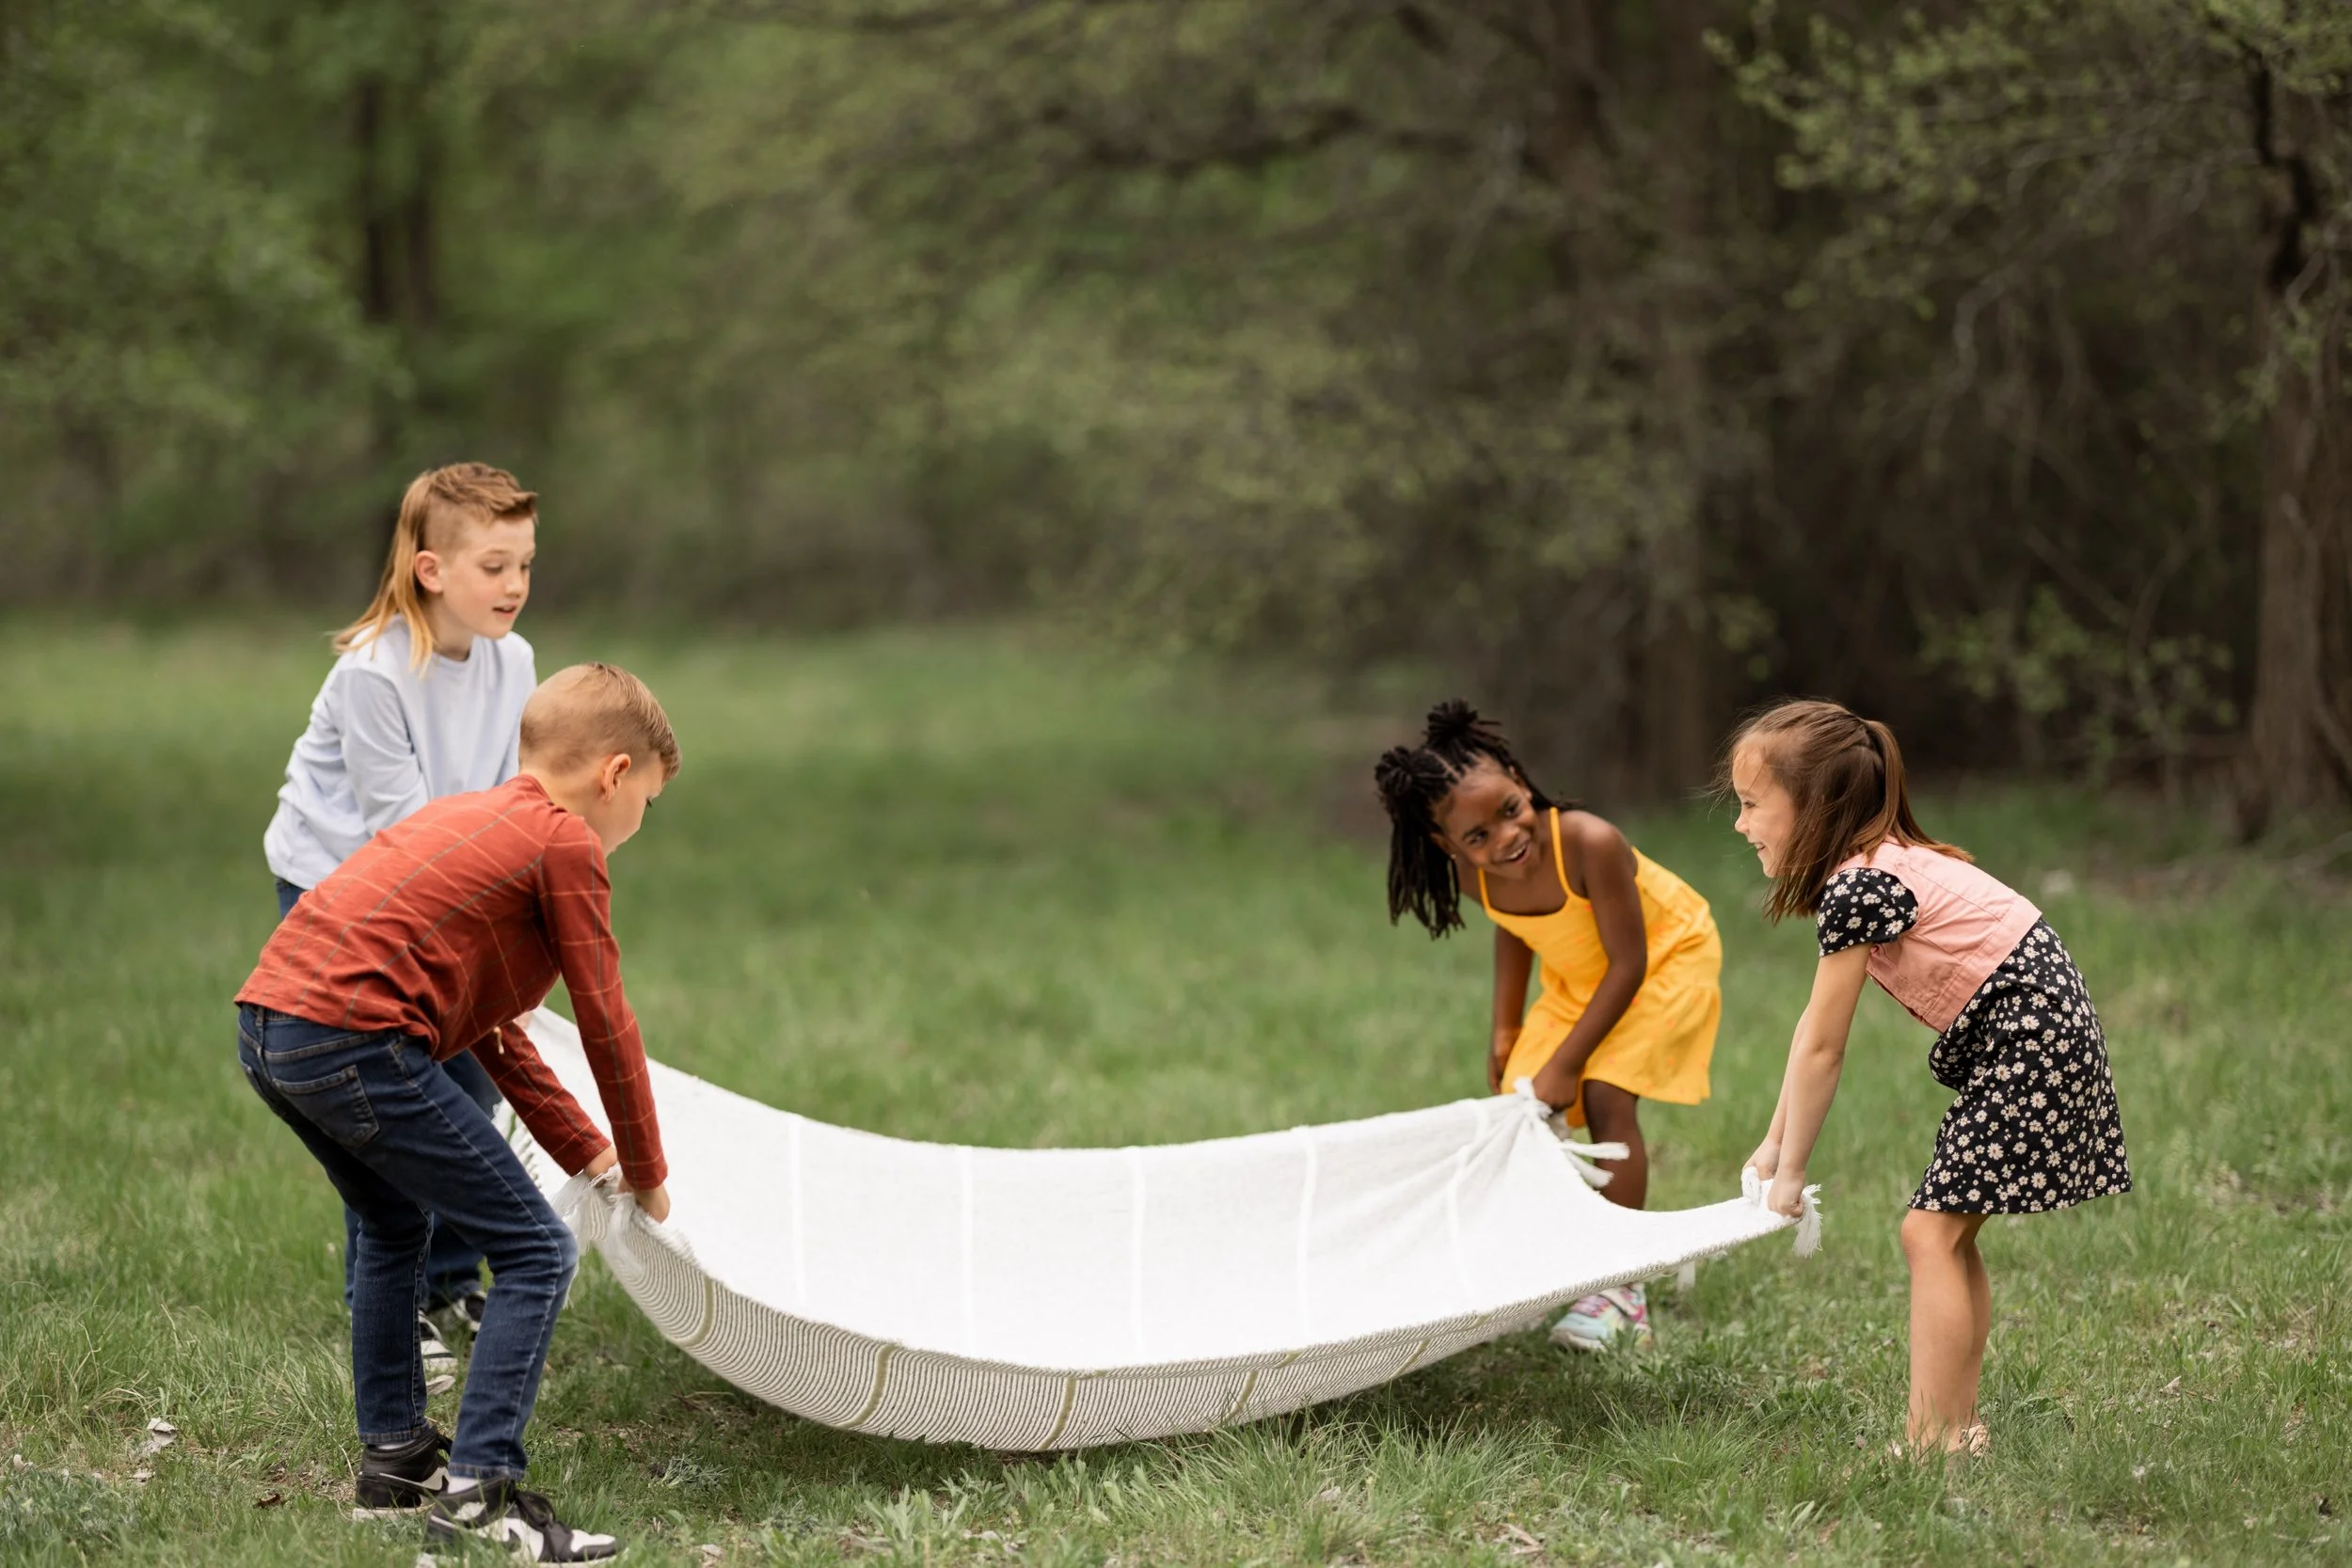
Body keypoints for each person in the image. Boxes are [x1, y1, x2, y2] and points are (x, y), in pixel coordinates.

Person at [235, 663, 677, 1561]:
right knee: (535, 1248)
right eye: (650, 802)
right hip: (354, 1037)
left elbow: (497, 1034)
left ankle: (397, 1458)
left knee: (394, 1220)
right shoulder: (565, 844)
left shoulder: (472, 818)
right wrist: (649, 1168)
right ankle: (482, 1500)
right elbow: (604, 1019)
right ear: (616, 773)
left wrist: (593, 1154)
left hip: (271, 1023)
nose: (639, 825)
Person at [1725, 698, 2129, 1458]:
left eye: (1752, 805)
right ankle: (1956, 1423)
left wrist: (1796, 1169)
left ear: (1812, 806)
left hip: (2030, 1042)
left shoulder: (1860, 885)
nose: (1742, 824)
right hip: (2044, 1034)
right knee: (1949, 1234)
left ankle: (1937, 1433)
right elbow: (1808, 1035)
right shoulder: (1877, 869)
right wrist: (1772, 1145)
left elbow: (1824, 1049)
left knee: (1929, 1233)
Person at [262, 462, 540, 1362]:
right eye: (494, 566)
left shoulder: (515, 660)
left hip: (449, 882)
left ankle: (452, 1276)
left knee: (476, 1080)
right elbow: (403, 837)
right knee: (391, 1091)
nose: (515, 585)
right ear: (431, 570)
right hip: (343, 890)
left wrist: (512, 945)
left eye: (526, 565)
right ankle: (392, 1301)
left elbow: (512, 801)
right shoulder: (373, 675)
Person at [1375, 701, 1723, 1351]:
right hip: (1579, 977)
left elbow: (1630, 962)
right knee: (1523, 1113)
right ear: (1446, 845)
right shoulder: (1475, 877)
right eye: (1476, 837)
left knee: (1604, 1092)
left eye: (1510, 809)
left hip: (1662, 959)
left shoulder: (1590, 841)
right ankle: (1558, 1269)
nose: (1505, 838)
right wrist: (1505, 1028)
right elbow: (1519, 930)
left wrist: (1568, 1060)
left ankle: (1620, 1288)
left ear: (1516, 775)